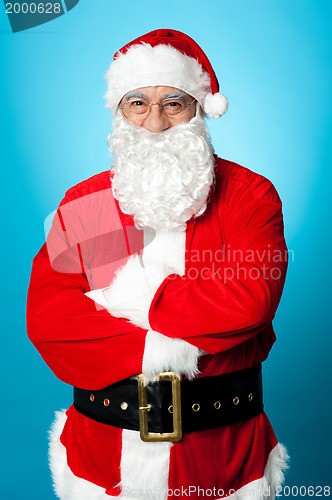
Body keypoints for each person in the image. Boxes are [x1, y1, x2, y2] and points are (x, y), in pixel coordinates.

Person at [27, 29, 289, 500]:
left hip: (221, 457)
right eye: (137, 104)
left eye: (174, 103)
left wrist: (130, 297)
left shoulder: (250, 197)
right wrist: (177, 337)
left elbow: (249, 303)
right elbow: (51, 321)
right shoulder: (86, 204)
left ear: (199, 109)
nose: (155, 123)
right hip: (100, 456)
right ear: (119, 113)